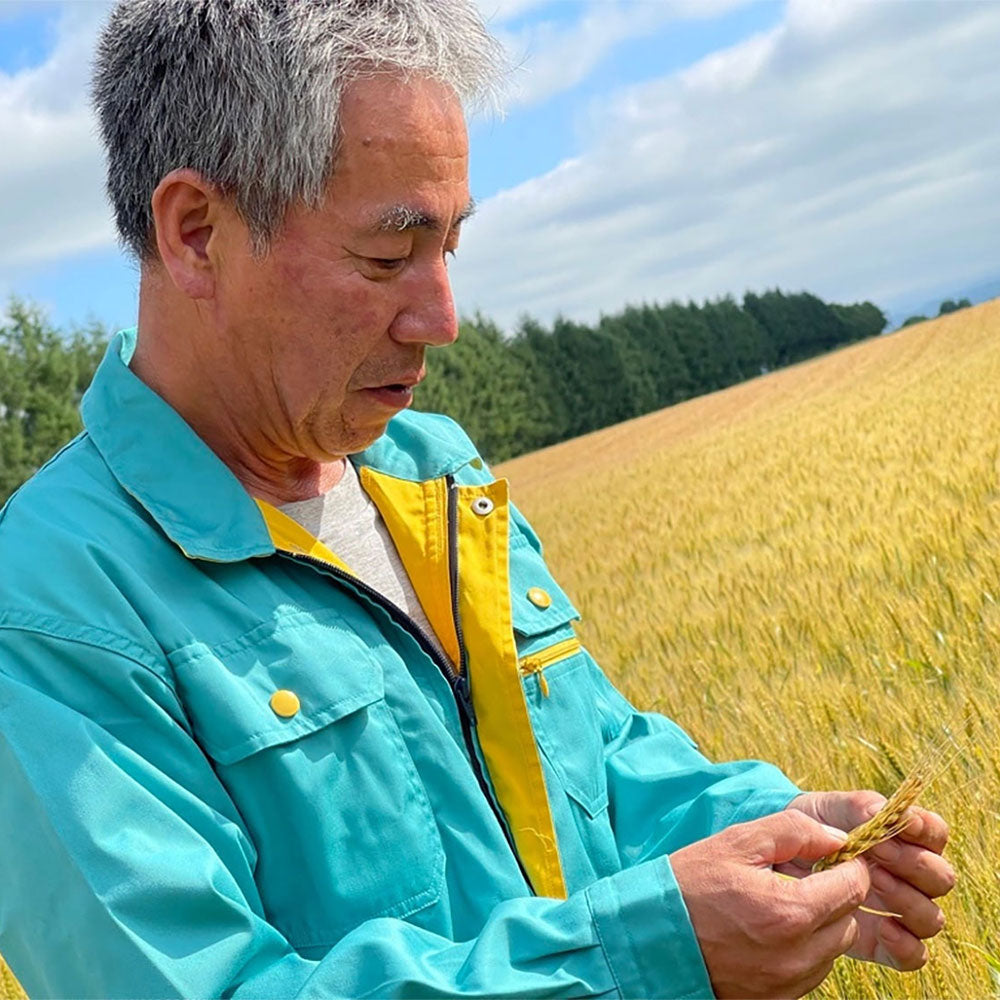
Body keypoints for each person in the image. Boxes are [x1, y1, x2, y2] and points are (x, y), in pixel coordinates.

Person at [0, 2, 953, 998]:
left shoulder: (433, 468)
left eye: (452, 244)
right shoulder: (54, 606)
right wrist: (639, 955)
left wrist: (771, 826)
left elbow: (592, 764)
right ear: (196, 232)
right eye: (387, 257)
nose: (443, 317)